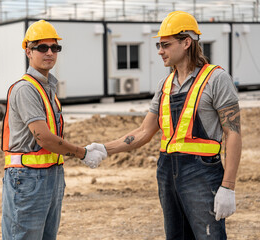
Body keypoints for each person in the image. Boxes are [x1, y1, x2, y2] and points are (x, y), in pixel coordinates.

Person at [89, 11, 241, 239]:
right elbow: (144, 131)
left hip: (202, 171)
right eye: (159, 45)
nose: (159, 51)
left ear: (186, 42)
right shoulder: (165, 84)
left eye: (165, 45)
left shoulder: (216, 79)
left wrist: (227, 186)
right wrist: (104, 149)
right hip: (167, 170)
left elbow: (233, 133)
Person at [1, 20, 106, 240]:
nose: (50, 52)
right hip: (28, 177)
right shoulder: (26, 89)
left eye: (55, 47)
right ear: (28, 51)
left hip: (50, 175)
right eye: (42, 47)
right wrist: (82, 153)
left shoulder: (48, 89)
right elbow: (44, 137)